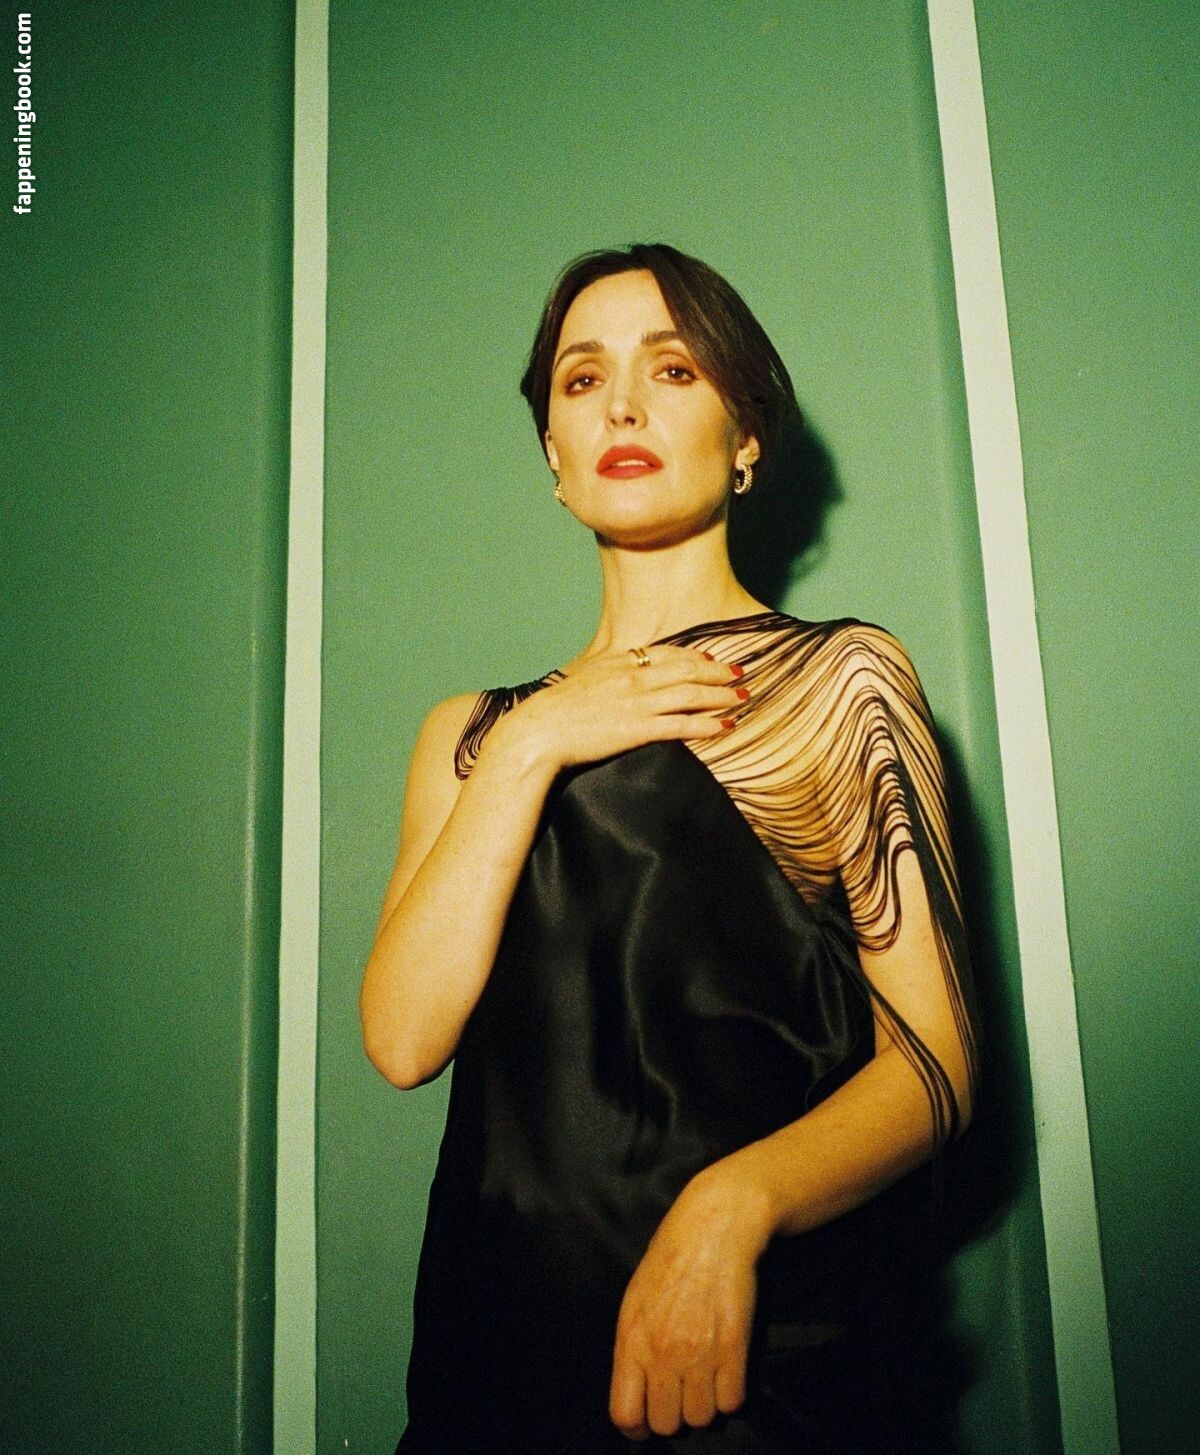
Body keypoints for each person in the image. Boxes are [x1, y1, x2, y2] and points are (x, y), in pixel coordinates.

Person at [360, 243, 980, 1453]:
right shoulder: (471, 736)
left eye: (675, 368)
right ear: (552, 453)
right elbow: (403, 1037)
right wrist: (538, 740)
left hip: (757, 1365)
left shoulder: (840, 683)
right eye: (583, 379)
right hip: (497, 1363)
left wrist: (728, 1211)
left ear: (746, 437)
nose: (624, 405)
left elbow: (938, 1067)